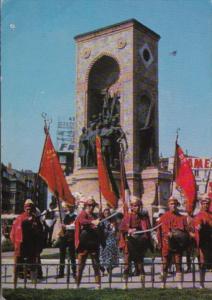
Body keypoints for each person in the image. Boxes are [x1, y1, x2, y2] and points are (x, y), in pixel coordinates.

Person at [157, 196, 190, 289]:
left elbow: (186, 230)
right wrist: (165, 236)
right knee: (165, 264)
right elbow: (161, 230)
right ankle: (163, 283)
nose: (173, 206)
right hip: (166, 243)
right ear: (168, 205)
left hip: (178, 244)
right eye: (171, 204)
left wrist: (188, 236)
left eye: (175, 204)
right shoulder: (164, 216)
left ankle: (179, 284)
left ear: (177, 205)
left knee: (178, 263)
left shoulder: (182, 217)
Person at [119, 196, 152, 289]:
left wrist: (148, 238)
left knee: (140, 264)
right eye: (133, 206)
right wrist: (128, 229)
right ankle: (125, 285)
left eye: (137, 205)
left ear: (140, 206)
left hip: (140, 242)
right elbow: (121, 227)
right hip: (128, 242)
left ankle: (143, 286)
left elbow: (148, 228)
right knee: (126, 264)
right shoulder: (128, 216)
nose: (135, 207)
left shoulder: (144, 217)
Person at [75, 197, 101, 289]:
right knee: (80, 266)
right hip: (83, 244)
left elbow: (97, 227)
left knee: (96, 265)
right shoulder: (82, 214)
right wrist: (92, 222)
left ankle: (98, 285)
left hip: (93, 243)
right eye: (90, 205)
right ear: (86, 205)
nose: (92, 207)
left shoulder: (94, 216)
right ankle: (77, 285)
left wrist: (98, 224)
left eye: (93, 205)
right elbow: (81, 221)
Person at [193, 194, 212, 288]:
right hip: (203, 242)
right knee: (203, 262)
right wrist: (198, 226)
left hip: (211, 240)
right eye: (204, 203)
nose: (206, 205)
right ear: (201, 204)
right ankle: (201, 283)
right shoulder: (199, 215)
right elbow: (197, 223)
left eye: (207, 203)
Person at [56, 202, 77, 279]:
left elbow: (74, 226)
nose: (69, 208)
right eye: (68, 206)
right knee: (62, 256)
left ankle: (74, 272)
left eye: (70, 207)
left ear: (73, 207)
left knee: (72, 256)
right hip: (64, 237)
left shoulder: (76, 216)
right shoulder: (65, 216)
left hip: (71, 237)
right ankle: (61, 273)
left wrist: (66, 226)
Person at [99, 208, 119, 276]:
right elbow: (100, 230)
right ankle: (102, 269)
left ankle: (109, 269)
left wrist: (113, 228)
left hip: (111, 239)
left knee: (111, 247)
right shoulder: (101, 221)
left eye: (108, 213)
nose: (106, 214)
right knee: (101, 251)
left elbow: (115, 231)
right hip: (103, 239)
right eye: (105, 213)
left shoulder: (113, 221)